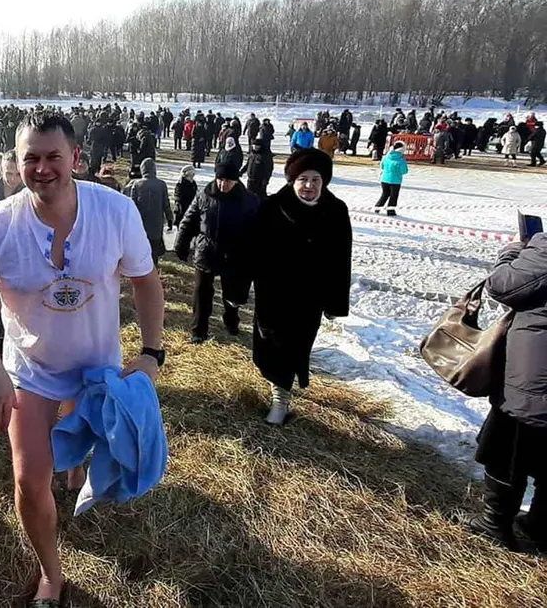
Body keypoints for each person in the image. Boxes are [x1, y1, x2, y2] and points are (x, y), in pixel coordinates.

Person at [0, 113, 165, 606]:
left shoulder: (115, 210)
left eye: (53, 157)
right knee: (29, 480)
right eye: (31, 158)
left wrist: (152, 353)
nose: (42, 168)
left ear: (76, 159)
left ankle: (75, 462)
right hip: (32, 370)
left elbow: (146, 281)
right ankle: (51, 573)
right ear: (17, 161)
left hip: (97, 367)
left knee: (74, 436)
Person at [251, 148, 351, 425]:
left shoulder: (336, 211)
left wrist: (335, 303)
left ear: (324, 182)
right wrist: (238, 288)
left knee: (294, 348)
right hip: (273, 294)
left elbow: (341, 259)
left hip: (310, 298)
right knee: (268, 348)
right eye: (303, 179)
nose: (309, 186)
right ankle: (277, 387)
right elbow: (252, 252)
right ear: (292, 180)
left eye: (315, 180)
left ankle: (280, 400)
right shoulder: (271, 208)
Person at [465, 230, 547, 552]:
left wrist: (514, 250)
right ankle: (539, 526)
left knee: (508, 449)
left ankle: (494, 524)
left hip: (534, 380)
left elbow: (502, 285)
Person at [175, 161, 260, 340]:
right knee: (202, 292)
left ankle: (231, 322)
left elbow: (258, 229)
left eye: (228, 181)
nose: (223, 184)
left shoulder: (249, 200)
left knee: (232, 294)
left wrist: (253, 255)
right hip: (207, 251)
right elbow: (189, 220)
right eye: (220, 179)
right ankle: (198, 331)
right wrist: (181, 243)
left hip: (234, 254)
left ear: (236, 181)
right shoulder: (204, 195)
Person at [124, 157, 174, 264]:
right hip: (156, 222)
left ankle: (141, 267)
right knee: (154, 249)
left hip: (141, 221)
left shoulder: (137, 184)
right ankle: (153, 267)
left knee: (141, 248)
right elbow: (166, 204)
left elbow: (132, 205)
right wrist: (170, 219)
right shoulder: (161, 184)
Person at [375, 141, 408, 216]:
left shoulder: (386, 156)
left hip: (384, 179)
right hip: (395, 181)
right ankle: (390, 211)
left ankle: (377, 207)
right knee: (393, 196)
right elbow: (404, 171)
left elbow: (382, 166)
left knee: (385, 194)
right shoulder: (401, 159)